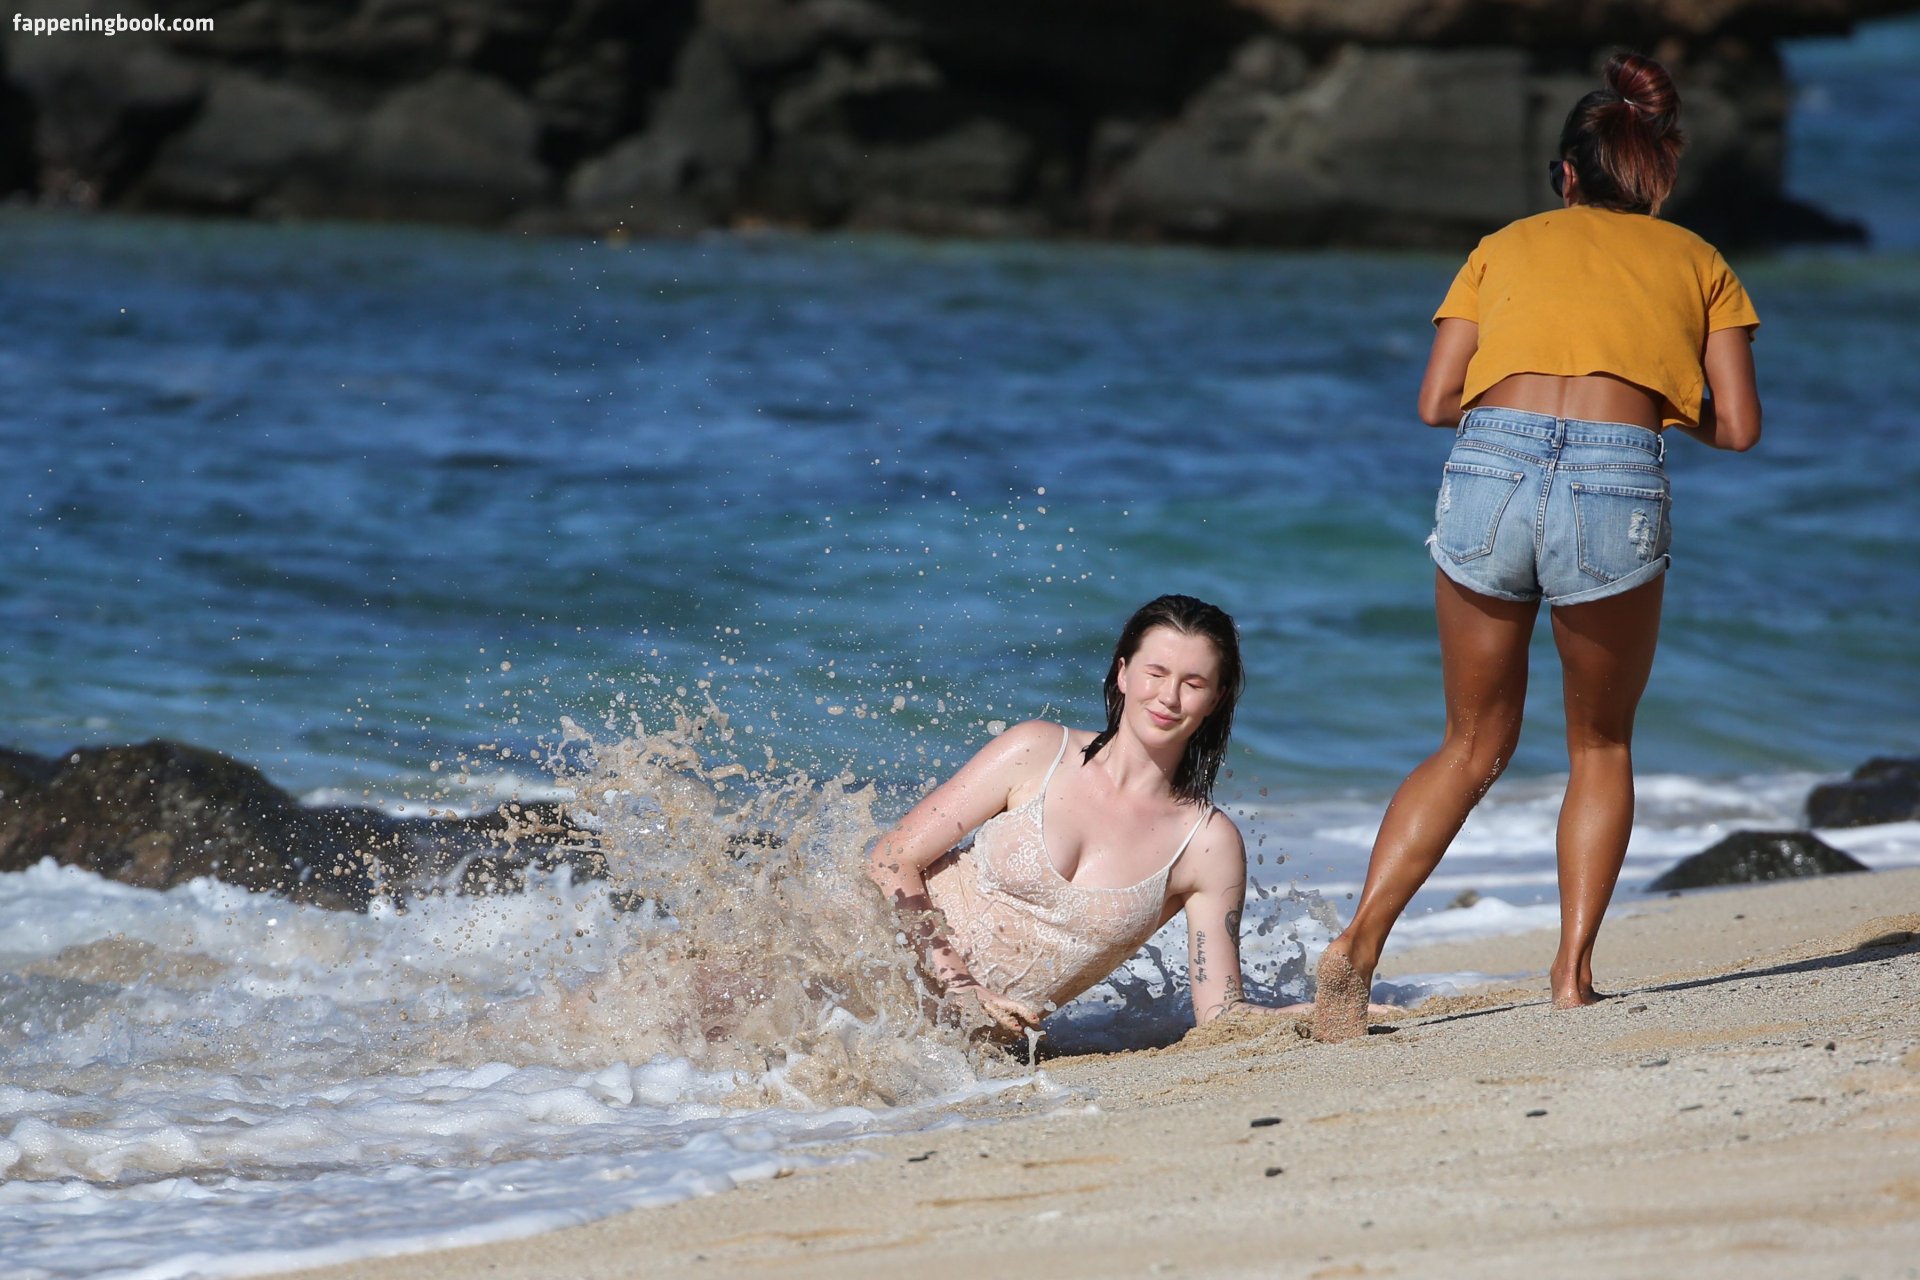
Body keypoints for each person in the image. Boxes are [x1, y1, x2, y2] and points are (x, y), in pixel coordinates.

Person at [1312, 53, 1763, 1042]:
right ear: (1658, 172)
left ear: (1566, 174)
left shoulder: (1501, 246)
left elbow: (1437, 400)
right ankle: (1570, 975)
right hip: (1616, 474)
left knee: (1470, 743)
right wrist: (1647, 398)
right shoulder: (1699, 260)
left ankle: (1358, 943)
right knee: (1600, 743)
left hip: (1490, 465)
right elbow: (1738, 427)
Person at [868, 594, 1310, 1036]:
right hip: (862, 974)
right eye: (1156, 673)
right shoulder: (1037, 751)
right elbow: (892, 858)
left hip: (957, 1053)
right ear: (1123, 673)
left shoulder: (1206, 843)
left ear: (1216, 698)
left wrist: (1318, 1013)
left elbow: (1221, 1016)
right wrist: (959, 983)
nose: (1169, 697)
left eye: (1193, 684)